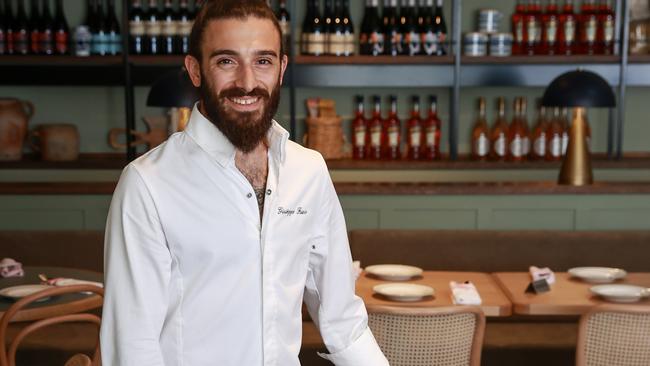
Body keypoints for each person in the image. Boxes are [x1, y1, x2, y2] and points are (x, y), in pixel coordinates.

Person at [99, 1, 389, 365]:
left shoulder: (309, 171)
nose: (247, 82)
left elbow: (342, 318)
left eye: (263, 61)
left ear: (281, 68)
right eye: (226, 61)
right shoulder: (146, 184)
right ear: (195, 70)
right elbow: (132, 344)